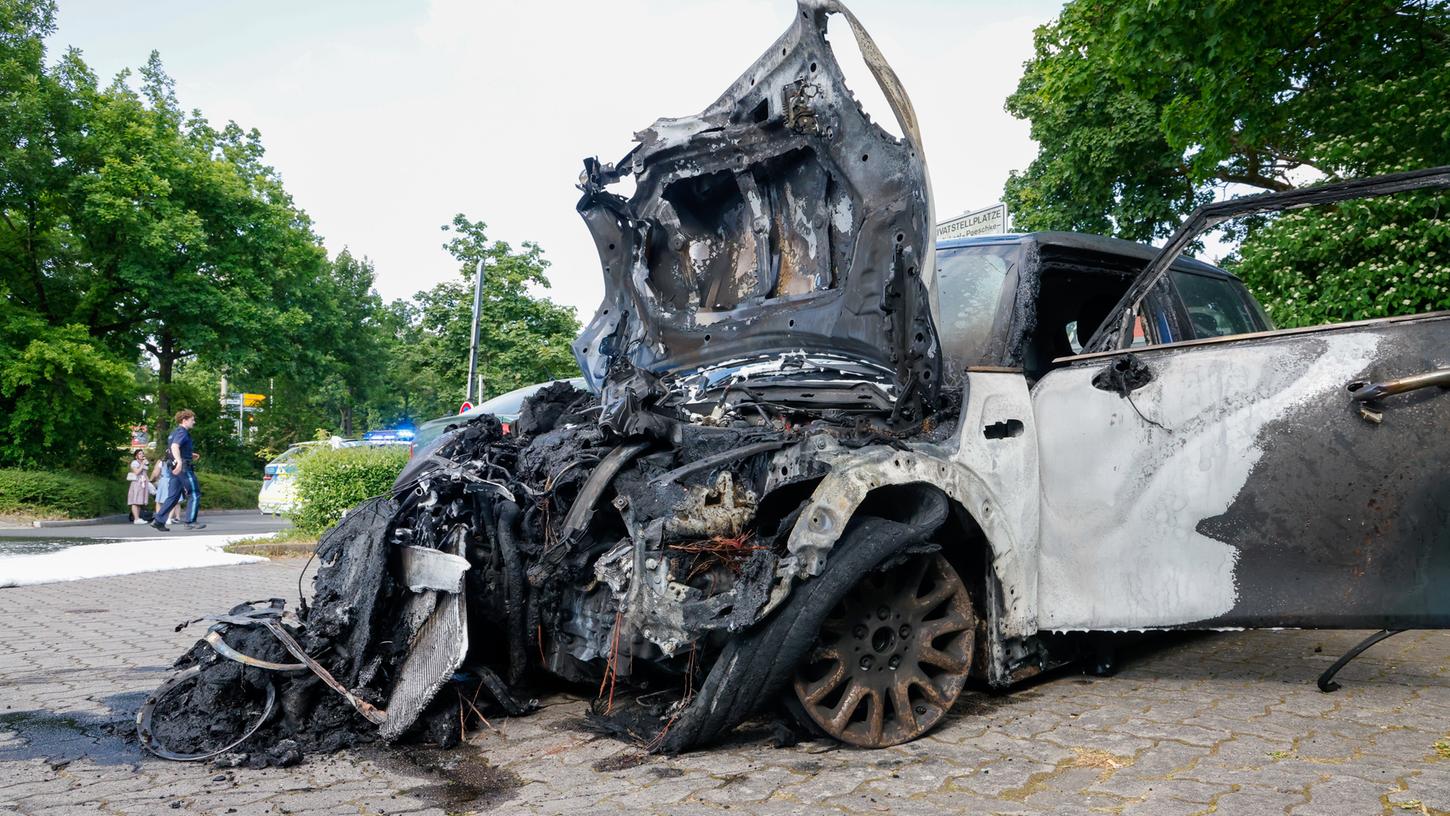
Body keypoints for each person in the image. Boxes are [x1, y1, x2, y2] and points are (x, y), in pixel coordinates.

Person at [151, 409, 205, 531]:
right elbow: (175, 446)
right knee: (194, 493)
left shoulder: (174, 432)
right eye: (192, 420)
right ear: (184, 420)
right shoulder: (182, 432)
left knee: (173, 496)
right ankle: (190, 521)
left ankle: (158, 521)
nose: (194, 422)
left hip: (173, 468)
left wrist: (189, 454)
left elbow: (172, 448)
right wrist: (180, 461)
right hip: (183, 468)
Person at [126, 450, 151, 523]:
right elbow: (136, 472)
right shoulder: (134, 463)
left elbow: (145, 473)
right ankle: (136, 518)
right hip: (137, 483)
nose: (141, 455)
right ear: (136, 456)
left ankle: (138, 518)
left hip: (143, 483)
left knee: (139, 501)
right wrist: (142, 464)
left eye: (142, 453)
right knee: (135, 500)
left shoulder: (143, 462)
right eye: (139, 454)